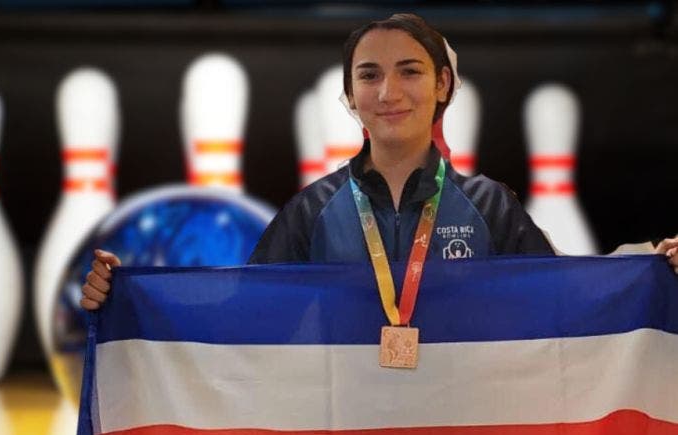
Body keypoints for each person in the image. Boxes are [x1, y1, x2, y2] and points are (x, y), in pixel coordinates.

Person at [79, 13, 678, 311]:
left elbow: (563, 303)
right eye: (369, 75)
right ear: (349, 98)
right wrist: (127, 296)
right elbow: (244, 318)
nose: (389, 92)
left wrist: (652, 270)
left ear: (443, 84)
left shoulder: (490, 205)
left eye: (410, 71)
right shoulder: (311, 211)